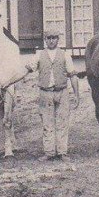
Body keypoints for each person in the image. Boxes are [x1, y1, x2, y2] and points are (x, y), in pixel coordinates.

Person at [26, 30, 79, 163]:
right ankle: (49, 152)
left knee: (62, 122)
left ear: (58, 39)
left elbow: (73, 76)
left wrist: (76, 94)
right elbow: (28, 69)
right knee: (47, 123)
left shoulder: (65, 55)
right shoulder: (39, 55)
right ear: (45, 39)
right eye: (48, 38)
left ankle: (62, 152)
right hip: (45, 93)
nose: (51, 41)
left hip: (62, 92)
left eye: (54, 38)